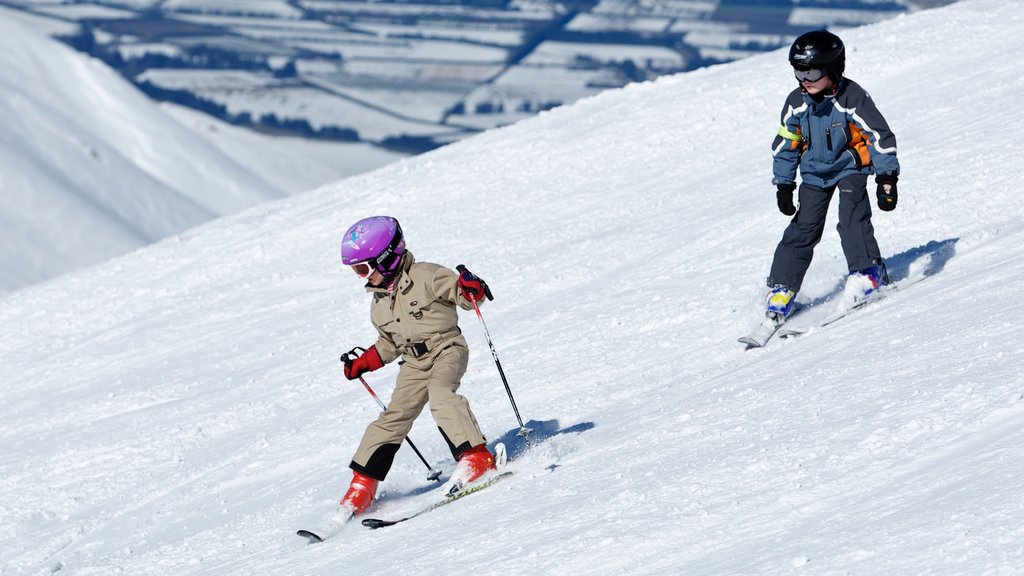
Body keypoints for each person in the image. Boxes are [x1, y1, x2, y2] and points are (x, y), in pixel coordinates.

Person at [336, 215, 496, 515]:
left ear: (386, 259)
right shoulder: (380, 302)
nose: (362, 277)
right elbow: (389, 343)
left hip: (446, 348)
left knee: (441, 395)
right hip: (412, 362)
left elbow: (462, 295)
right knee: (392, 417)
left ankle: (477, 457)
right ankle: (363, 485)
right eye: (355, 270)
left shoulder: (428, 275)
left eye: (363, 268)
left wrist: (471, 289)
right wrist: (365, 362)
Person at [764, 30, 900, 322]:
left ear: (833, 69)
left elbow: (879, 136)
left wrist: (886, 178)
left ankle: (868, 272)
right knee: (804, 228)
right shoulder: (797, 102)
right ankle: (782, 287)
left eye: (812, 72)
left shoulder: (852, 98)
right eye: (799, 72)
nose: (805, 81)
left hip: (850, 167)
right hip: (814, 172)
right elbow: (786, 143)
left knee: (852, 218)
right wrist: (784, 184)